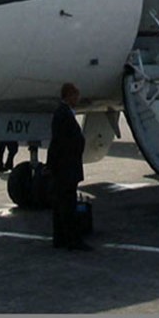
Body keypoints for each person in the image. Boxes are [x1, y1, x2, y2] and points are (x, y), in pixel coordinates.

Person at [48, 82, 91, 251]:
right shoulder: (63, 114)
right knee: (67, 206)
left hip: (64, 168)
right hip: (66, 168)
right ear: (69, 96)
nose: (78, 99)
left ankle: (60, 238)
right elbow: (58, 143)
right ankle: (72, 240)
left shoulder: (63, 112)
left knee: (61, 205)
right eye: (75, 96)